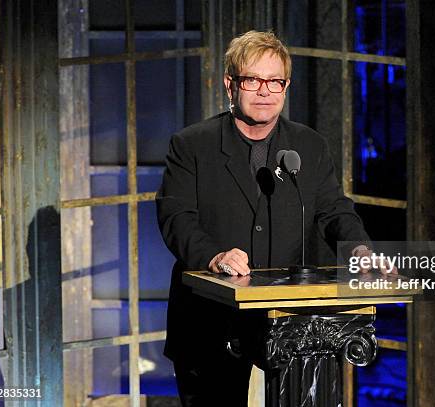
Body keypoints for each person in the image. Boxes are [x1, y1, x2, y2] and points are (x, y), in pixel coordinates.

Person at [156, 30, 377, 407]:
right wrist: (214, 257)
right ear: (230, 85)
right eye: (253, 80)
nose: (265, 91)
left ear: (286, 86)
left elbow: (332, 210)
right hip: (211, 315)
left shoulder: (309, 145)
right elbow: (176, 217)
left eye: (275, 81)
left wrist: (358, 249)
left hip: (295, 317)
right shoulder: (192, 144)